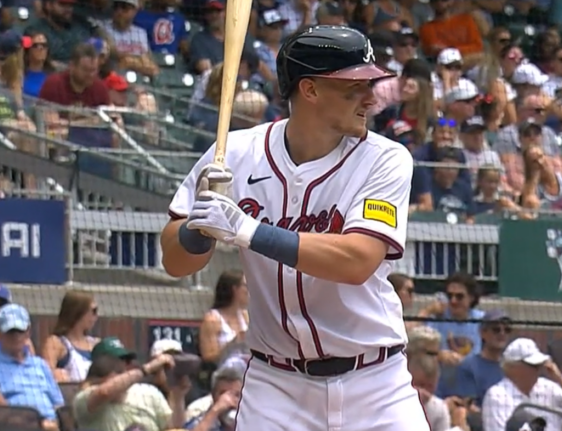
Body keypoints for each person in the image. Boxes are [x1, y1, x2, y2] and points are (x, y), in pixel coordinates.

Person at [161, 25, 429, 431]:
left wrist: (246, 230)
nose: (371, 98)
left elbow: (358, 260)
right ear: (310, 90)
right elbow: (175, 262)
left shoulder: (385, 160)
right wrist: (199, 227)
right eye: (354, 86)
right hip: (276, 387)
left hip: (375, 384)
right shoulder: (234, 152)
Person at [41, 290, 100, 382]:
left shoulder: (97, 344)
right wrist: (54, 374)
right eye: (93, 311)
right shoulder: (56, 343)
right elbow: (45, 376)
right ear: (79, 312)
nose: (96, 316)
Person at [198, 270, 249, 366]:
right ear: (235, 289)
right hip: (225, 372)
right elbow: (209, 357)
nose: (249, 290)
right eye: (246, 286)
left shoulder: (245, 316)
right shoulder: (212, 319)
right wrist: (234, 343)